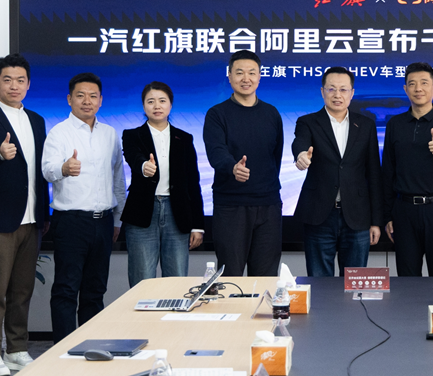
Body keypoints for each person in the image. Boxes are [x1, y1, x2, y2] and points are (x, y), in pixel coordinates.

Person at [0, 53, 49, 376]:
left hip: (32, 220)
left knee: (21, 291)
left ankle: (16, 350)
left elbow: (39, 171)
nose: (14, 86)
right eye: (7, 80)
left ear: (28, 84)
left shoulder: (37, 121)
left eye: (20, 80)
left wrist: (44, 213)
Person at [43, 72, 125, 344]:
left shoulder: (110, 134)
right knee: (66, 289)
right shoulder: (59, 132)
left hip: (103, 222)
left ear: (101, 100)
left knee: (95, 291)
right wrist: (64, 168)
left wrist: (117, 220)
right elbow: (47, 170)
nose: (87, 101)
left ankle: (91, 347)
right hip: (71, 222)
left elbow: (118, 179)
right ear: (69, 99)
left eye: (93, 96)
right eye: (80, 96)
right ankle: (64, 350)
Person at [292, 67, 383, 277]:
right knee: (319, 282)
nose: (337, 95)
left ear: (352, 93)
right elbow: (300, 142)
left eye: (343, 89)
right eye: (331, 89)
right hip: (319, 215)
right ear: (322, 91)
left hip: (357, 216)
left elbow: (374, 174)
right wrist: (301, 155)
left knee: (354, 283)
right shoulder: (307, 122)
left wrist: (376, 221)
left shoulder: (366, 125)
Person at [203, 50, 284, 276]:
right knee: (230, 276)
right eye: (239, 73)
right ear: (229, 76)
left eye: (251, 73)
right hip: (231, 206)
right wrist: (233, 167)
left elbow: (275, 157)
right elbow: (216, 152)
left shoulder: (271, 113)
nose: (245, 78)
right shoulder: (217, 114)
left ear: (259, 76)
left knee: (266, 277)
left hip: (268, 205)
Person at [120, 81, 205, 285]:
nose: (156, 106)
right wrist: (144, 166)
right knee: (142, 280)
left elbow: (193, 182)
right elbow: (133, 157)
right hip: (142, 212)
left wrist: (198, 225)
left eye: (162, 101)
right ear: (143, 106)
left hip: (177, 213)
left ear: (170, 105)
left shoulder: (184, 138)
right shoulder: (132, 135)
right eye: (150, 101)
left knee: (176, 280)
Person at [382, 62, 433, 276]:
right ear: (405, 89)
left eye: (424, 83)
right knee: (407, 279)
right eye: (412, 84)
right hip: (404, 211)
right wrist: (387, 216)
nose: (418, 88)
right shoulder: (395, 124)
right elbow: (387, 172)